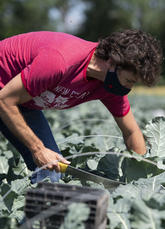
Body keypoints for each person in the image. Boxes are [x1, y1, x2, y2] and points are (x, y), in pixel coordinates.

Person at [0, 29, 162, 183]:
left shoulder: (109, 86)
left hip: (19, 101)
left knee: (50, 172)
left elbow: (131, 132)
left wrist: (144, 178)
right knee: (42, 155)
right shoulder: (60, 61)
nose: (129, 88)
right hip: (5, 97)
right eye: (129, 81)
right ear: (113, 61)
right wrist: (38, 149)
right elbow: (4, 101)